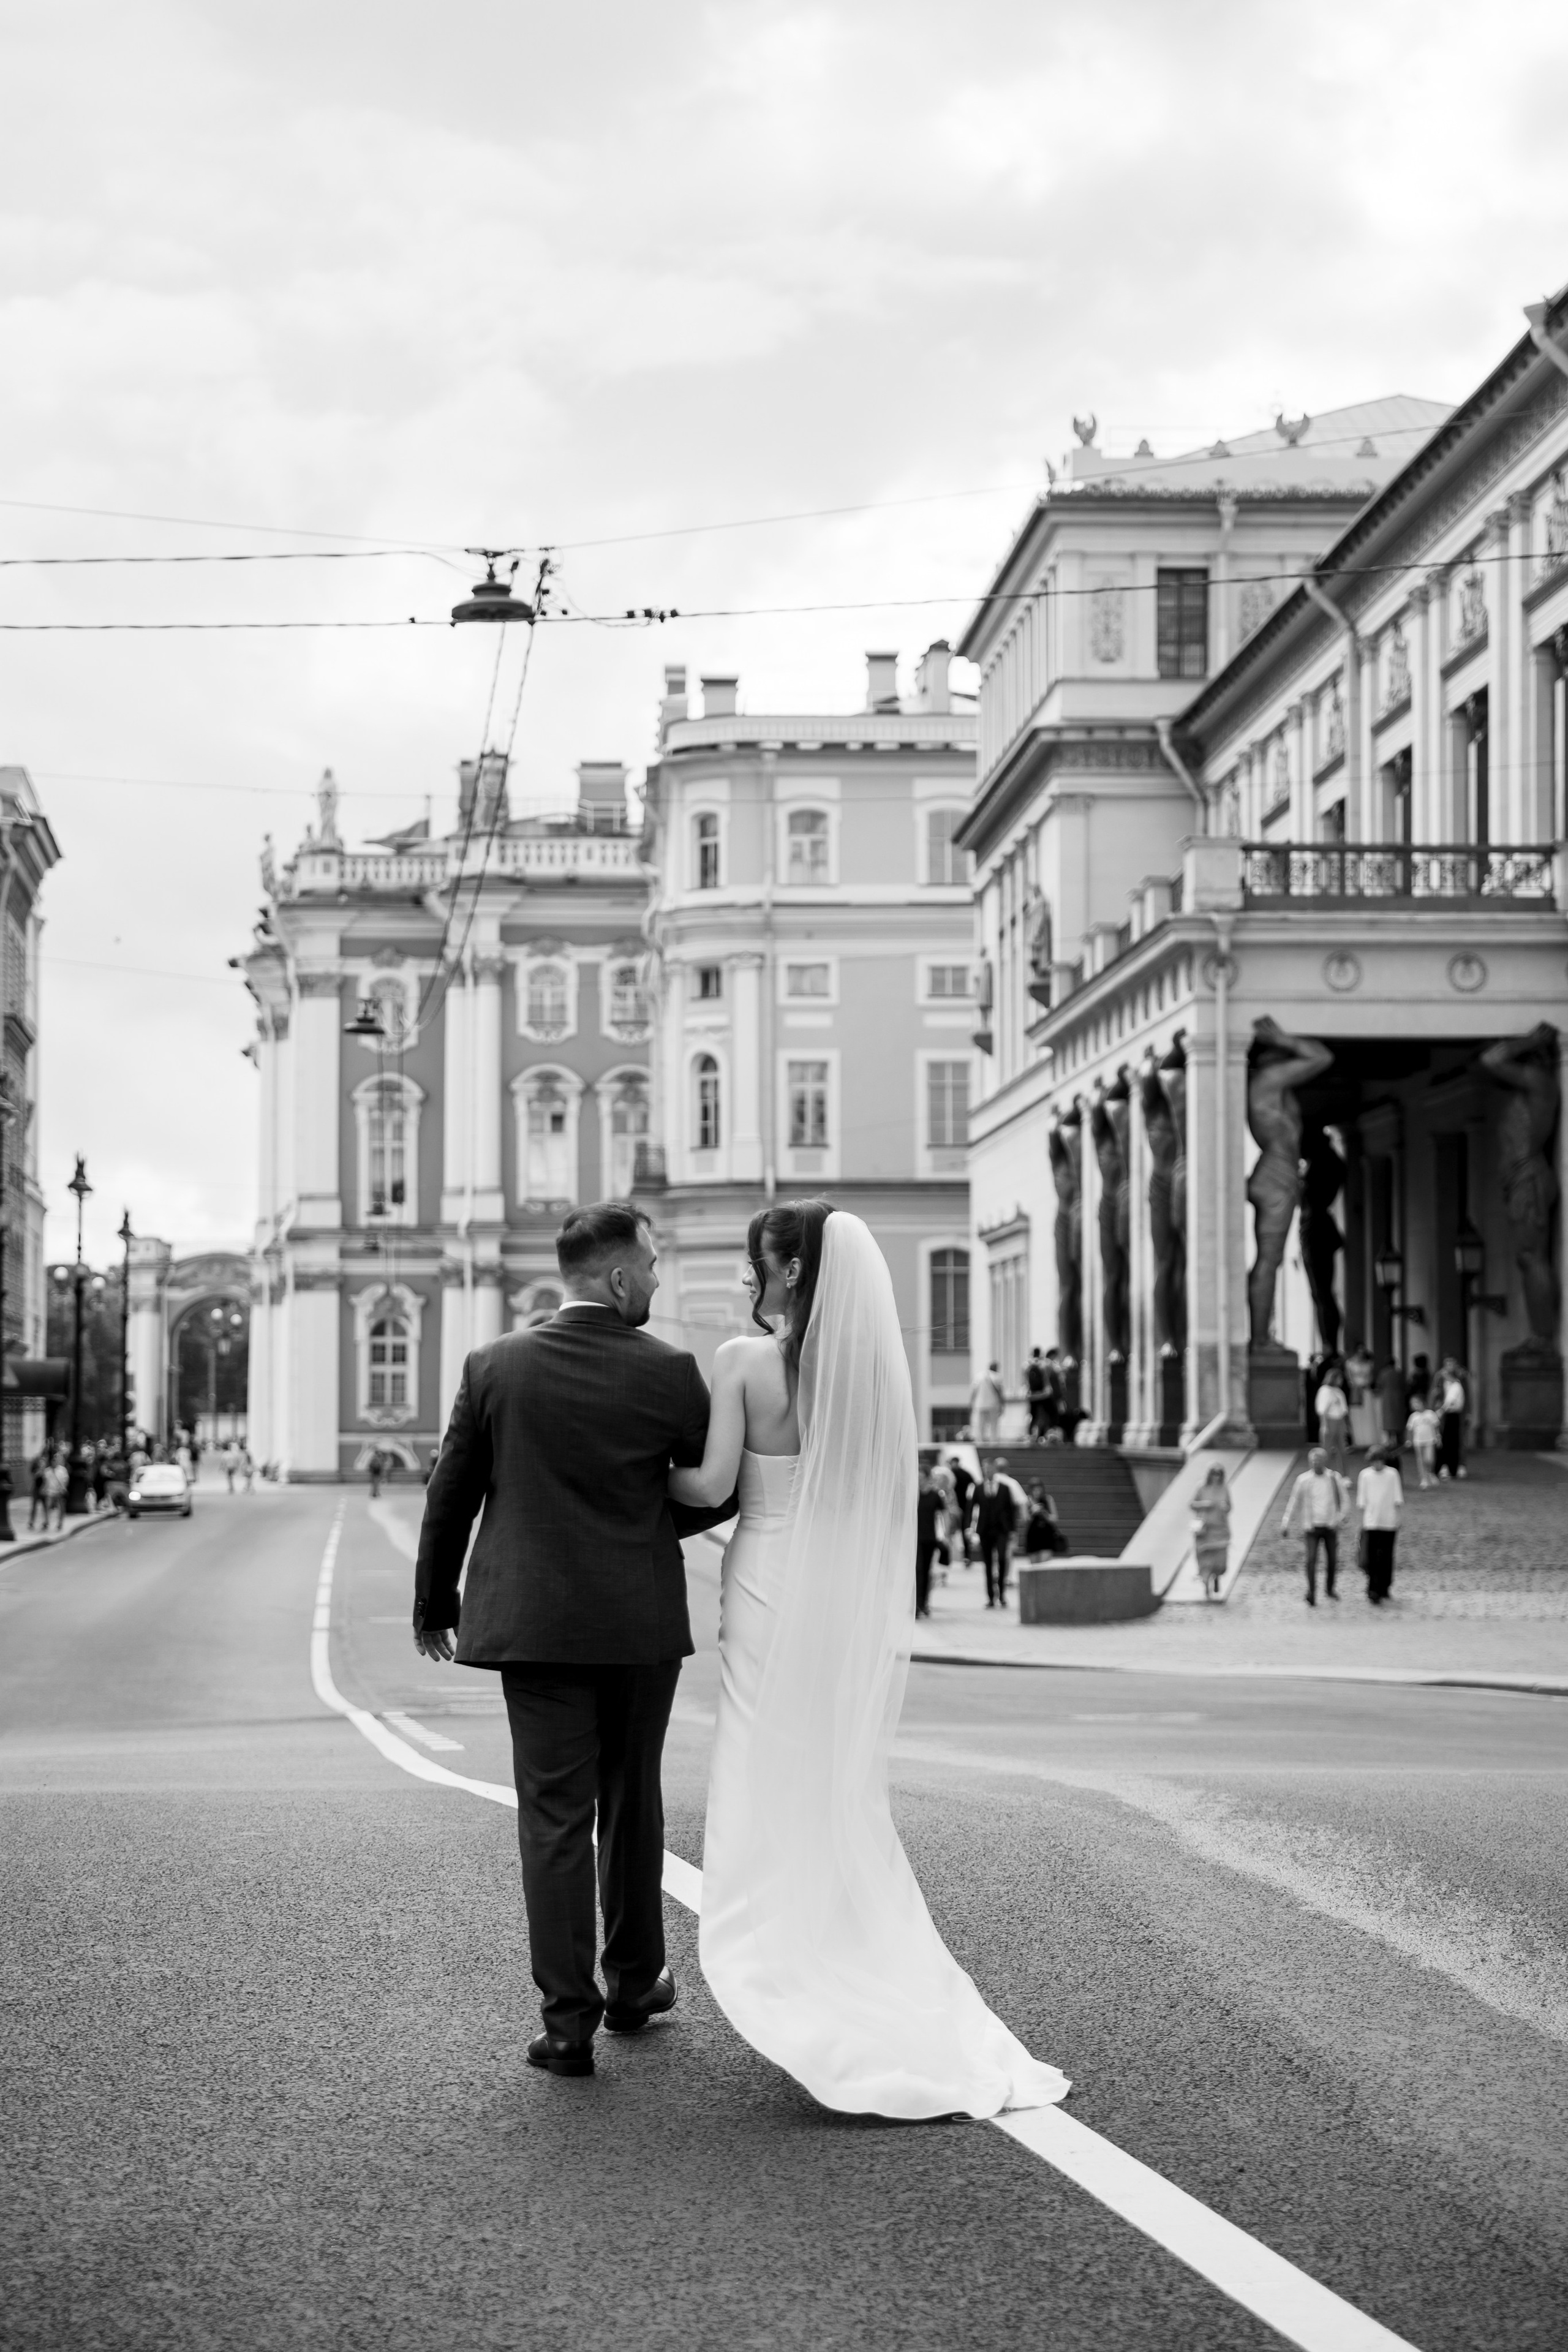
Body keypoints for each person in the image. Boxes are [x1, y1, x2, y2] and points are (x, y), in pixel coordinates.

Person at [669, 1197, 1069, 2119]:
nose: (747, 1276)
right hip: (833, 1583)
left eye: (756, 1261)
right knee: (827, 1772)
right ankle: (843, 1943)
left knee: (760, 1761)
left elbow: (710, 1484)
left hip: (765, 1578)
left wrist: (634, 1469)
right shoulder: (868, 1379)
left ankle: (779, 1949)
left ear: (792, 1270)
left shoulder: (741, 1362)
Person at [412, 1200, 736, 2080]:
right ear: (620, 1277)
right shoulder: (670, 1371)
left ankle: (567, 2027)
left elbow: (451, 1493)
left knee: (555, 1817)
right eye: (652, 1266)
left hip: (535, 1627)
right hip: (636, 1622)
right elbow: (715, 1490)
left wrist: (435, 1603)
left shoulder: (494, 1366)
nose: (658, 1280)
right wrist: (640, 1526)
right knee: (633, 1801)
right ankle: (633, 1987)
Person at [1280, 1446, 1349, 1605]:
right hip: (1312, 1527)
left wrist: (1341, 1518)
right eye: (1312, 1461)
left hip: (1330, 1526)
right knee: (1311, 1560)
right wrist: (1286, 1522)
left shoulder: (1334, 1478)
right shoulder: (1303, 1480)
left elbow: (1344, 1499)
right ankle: (1311, 1592)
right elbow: (1294, 1501)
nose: (1315, 1463)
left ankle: (1330, 1588)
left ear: (1325, 1461)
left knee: (1332, 1559)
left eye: (1318, 1460)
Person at [1356, 1445, 1404, 1604]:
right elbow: (1362, 1501)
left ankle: (1385, 1586)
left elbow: (1397, 1498)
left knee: (1387, 1556)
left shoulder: (1392, 1474)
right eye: (1374, 1461)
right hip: (1371, 1522)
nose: (1377, 1464)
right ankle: (1373, 1588)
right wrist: (1363, 1521)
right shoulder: (1365, 1475)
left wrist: (1399, 1517)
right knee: (1372, 1556)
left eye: (1380, 1461)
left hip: (1389, 1521)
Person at [973, 1461, 1018, 1608]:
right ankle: (991, 1597)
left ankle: (1002, 1594)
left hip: (1001, 1530)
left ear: (995, 1470)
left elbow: (1011, 1510)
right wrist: (970, 1527)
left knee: (1002, 1559)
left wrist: (1012, 1530)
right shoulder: (978, 1488)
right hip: (985, 1530)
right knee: (988, 1563)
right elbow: (972, 1508)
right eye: (985, 1469)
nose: (988, 1472)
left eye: (990, 1469)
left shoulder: (1005, 1488)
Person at [1189, 1464, 1231, 1599]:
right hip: (1205, 1530)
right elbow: (1192, 1504)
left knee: (1219, 1560)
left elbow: (1230, 1506)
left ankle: (1216, 1576)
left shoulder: (1224, 1488)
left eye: (1219, 1474)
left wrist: (1225, 1507)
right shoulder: (1201, 1487)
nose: (1216, 1477)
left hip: (1220, 1529)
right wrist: (1204, 1504)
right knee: (1205, 1561)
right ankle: (1206, 1585)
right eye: (1214, 1473)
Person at [914, 1466, 941, 1618]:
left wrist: (945, 1535)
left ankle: (924, 1602)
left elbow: (942, 1514)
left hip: (930, 1538)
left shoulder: (935, 1495)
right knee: (918, 1569)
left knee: (926, 1571)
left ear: (927, 1478)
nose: (919, 1481)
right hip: (916, 1538)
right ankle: (917, 1604)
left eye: (921, 1478)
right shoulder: (913, 1494)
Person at [1314, 1367, 1350, 1473]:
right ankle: (1325, 1473)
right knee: (1327, 1450)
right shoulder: (1325, 1391)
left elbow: (1343, 1410)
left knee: (1343, 1450)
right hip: (1330, 1421)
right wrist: (1324, 1425)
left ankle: (1344, 1474)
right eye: (1339, 1378)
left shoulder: (1339, 1391)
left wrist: (1345, 1425)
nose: (1341, 1381)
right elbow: (1322, 1410)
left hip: (1340, 1421)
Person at [1436, 1358, 1468, 1480]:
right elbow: (1436, 1394)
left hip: (1455, 1413)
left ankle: (1459, 1465)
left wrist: (1468, 1412)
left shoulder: (1460, 1380)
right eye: (1448, 1365)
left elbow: (1467, 1396)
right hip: (1444, 1415)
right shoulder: (1440, 1379)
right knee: (1444, 1440)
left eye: (1452, 1364)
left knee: (1457, 1440)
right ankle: (1444, 1466)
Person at [1022, 1482, 1066, 1559]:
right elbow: (1025, 1520)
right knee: (1034, 1563)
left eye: (1039, 1490)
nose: (1037, 1492)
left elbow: (1055, 1518)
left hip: (1046, 1535)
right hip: (1033, 1535)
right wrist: (1033, 1512)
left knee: (1045, 1561)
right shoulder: (1027, 1501)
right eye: (1034, 1490)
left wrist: (1044, 1513)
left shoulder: (1047, 1499)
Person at [1405, 1398, 1440, 1488]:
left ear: (1423, 1403)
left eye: (1417, 1403)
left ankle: (1430, 1473)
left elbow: (1436, 1426)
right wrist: (1409, 1440)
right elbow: (1410, 1429)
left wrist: (1438, 1437)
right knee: (1421, 1460)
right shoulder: (1413, 1416)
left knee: (1430, 1459)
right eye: (1413, 1404)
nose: (1416, 1405)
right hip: (1418, 1442)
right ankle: (1424, 1479)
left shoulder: (1431, 1414)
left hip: (1430, 1440)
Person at [1376, 1357, 1408, 1448]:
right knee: (1398, 1419)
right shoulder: (1399, 1373)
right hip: (1399, 1398)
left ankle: (1390, 1441)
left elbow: (1379, 1385)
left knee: (1388, 1418)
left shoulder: (1383, 1373)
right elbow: (1404, 1385)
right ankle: (1400, 1441)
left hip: (1387, 1398)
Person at [969, 1362, 1004, 1444]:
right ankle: (993, 1441)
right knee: (993, 1424)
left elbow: (974, 1391)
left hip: (980, 1404)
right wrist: (1002, 1404)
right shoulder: (997, 1377)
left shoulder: (979, 1376)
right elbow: (1000, 1392)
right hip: (993, 1404)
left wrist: (972, 1403)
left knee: (981, 1424)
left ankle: (980, 1441)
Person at [1024, 1348, 1052, 1440]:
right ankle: (1041, 1435)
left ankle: (1030, 1434)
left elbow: (1025, 1380)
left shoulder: (1027, 1365)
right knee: (1043, 1415)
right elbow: (1047, 1377)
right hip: (1043, 1395)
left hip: (1032, 1395)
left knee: (1033, 1415)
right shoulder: (1044, 1364)